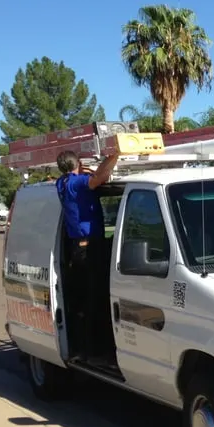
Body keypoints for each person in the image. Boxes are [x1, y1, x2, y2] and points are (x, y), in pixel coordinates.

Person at [55, 150, 119, 359]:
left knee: (84, 298)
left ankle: (84, 347)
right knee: (96, 297)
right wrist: (113, 157)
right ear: (79, 164)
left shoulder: (62, 183)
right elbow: (100, 178)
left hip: (78, 246)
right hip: (89, 247)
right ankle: (93, 350)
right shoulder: (78, 183)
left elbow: (90, 178)